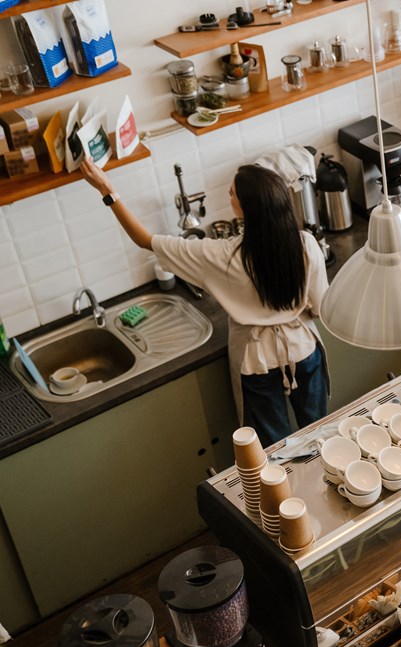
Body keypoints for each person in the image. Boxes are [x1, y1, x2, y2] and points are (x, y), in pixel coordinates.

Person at [80, 157, 330, 447]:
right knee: (320, 435)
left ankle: (286, 492)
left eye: (232, 192)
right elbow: (321, 308)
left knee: (273, 452)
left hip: (256, 362)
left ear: (245, 208)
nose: (228, 194)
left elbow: (145, 240)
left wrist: (107, 190)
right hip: (304, 350)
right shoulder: (305, 244)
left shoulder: (221, 256)